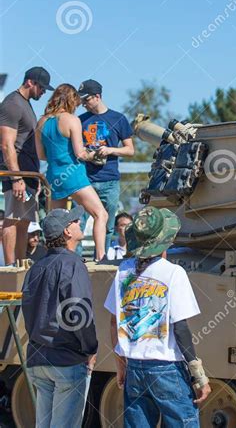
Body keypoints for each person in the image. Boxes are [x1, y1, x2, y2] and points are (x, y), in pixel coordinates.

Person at [104, 207, 211, 427]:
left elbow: (114, 322)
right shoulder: (173, 273)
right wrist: (198, 374)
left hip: (134, 367)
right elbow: (180, 327)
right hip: (167, 368)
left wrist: (121, 364)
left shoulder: (123, 271)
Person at [21, 207, 98, 428]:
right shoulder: (73, 264)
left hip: (38, 358)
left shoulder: (35, 268)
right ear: (67, 231)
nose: (80, 222)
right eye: (75, 220)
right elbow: (79, 311)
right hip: (66, 360)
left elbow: (28, 312)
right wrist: (90, 348)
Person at [35, 84, 108, 261]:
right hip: (73, 175)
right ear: (71, 100)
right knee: (100, 214)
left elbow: (41, 155)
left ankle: (56, 258)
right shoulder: (71, 119)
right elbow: (80, 153)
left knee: (56, 223)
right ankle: (100, 257)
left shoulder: (41, 122)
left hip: (53, 177)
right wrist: (94, 154)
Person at [0, 67, 53, 266]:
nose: (43, 92)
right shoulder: (12, 104)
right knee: (13, 220)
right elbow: (6, 144)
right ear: (30, 82)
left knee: (23, 222)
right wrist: (16, 178)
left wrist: (33, 176)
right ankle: (10, 269)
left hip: (27, 174)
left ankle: (21, 267)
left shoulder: (26, 105)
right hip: (17, 174)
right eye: (41, 87)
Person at [78, 79, 134, 252]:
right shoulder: (79, 121)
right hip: (85, 181)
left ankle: (101, 260)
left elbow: (130, 150)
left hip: (110, 181)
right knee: (77, 224)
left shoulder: (118, 119)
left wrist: (110, 150)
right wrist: (88, 155)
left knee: (108, 225)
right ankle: (75, 261)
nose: (83, 104)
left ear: (97, 96)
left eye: (86, 100)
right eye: (82, 101)